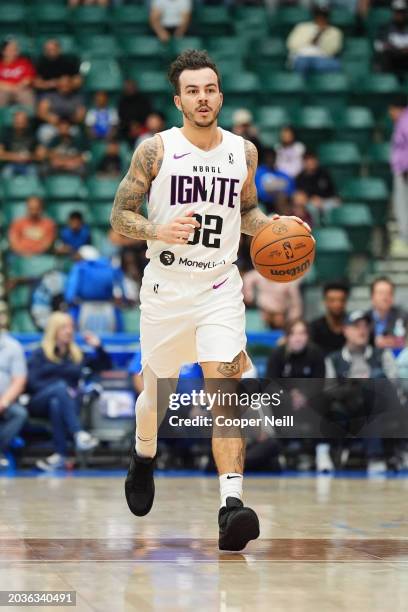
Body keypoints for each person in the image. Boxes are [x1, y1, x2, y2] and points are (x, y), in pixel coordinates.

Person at [110, 49, 310, 552]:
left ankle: (231, 507)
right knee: (157, 399)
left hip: (220, 289)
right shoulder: (155, 151)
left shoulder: (243, 152)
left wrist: (279, 228)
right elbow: (119, 215)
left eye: (211, 88)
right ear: (179, 99)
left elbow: (247, 214)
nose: (203, 98)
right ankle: (143, 455)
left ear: (221, 94)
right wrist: (157, 228)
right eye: (193, 90)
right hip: (166, 291)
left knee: (226, 395)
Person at [27, 312, 110, 471]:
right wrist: (58, 389)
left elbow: (105, 366)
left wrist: (98, 347)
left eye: (71, 327)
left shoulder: (76, 355)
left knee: (57, 403)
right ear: (54, 330)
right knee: (59, 389)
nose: (69, 331)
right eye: (64, 327)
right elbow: (32, 383)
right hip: (39, 402)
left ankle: (61, 455)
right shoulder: (39, 354)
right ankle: (78, 433)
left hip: (65, 404)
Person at [326, 310, 399, 474]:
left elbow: (394, 386)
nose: (362, 330)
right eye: (356, 326)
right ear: (345, 330)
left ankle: (375, 456)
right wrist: (356, 385)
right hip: (348, 409)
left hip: (381, 408)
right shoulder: (334, 359)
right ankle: (379, 456)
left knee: (377, 378)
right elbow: (329, 392)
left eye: (366, 326)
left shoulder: (382, 354)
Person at [266, 319, 326, 472]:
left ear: (308, 336)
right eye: (293, 334)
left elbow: (320, 382)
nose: (297, 338)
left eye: (302, 333)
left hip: (310, 402)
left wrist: (305, 395)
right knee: (271, 399)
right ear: (287, 337)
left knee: (325, 400)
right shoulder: (277, 354)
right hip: (283, 402)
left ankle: (321, 451)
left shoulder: (316, 353)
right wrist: (288, 396)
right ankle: (280, 450)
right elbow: (270, 383)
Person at [64, 245, 125, 333]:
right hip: (108, 309)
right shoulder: (109, 266)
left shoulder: (80, 268)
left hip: (84, 308)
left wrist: (70, 302)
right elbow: (120, 286)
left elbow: (70, 292)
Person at [287, 4, 343, 75]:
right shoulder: (302, 27)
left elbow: (333, 50)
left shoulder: (334, 31)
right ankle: (300, 84)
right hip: (303, 56)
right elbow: (291, 45)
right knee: (302, 62)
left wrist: (321, 33)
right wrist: (313, 38)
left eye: (323, 15)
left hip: (322, 58)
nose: (321, 17)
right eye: (318, 15)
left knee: (336, 64)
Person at [0, 330, 28, 469]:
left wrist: (3, 402)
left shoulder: (13, 347)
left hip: (6, 401)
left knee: (19, 413)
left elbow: (19, 381)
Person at [37, 75, 86, 145]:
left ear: (71, 84)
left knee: (77, 132)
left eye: (67, 84)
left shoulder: (77, 97)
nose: (65, 86)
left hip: (70, 126)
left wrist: (67, 124)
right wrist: (52, 119)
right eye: (63, 84)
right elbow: (41, 112)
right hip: (53, 126)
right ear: (58, 85)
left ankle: (74, 152)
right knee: (44, 132)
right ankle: (47, 152)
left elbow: (81, 115)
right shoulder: (50, 95)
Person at [365, 277, 408, 351]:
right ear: (372, 297)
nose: (385, 297)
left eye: (389, 293)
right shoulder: (364, 319)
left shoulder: (404, 316)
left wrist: (395, 342)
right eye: (381, 293)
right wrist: (374, 342)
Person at [309, 280, 349, 356]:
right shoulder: (314, 328)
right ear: (325, 301)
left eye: (341, 300)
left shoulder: (353, 326)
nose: (337, 304)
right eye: (332, 300)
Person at [389, 96, 408, 256]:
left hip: (405, 171)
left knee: (403, 207)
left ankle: (405, 240)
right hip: (402, 170)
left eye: (392, 109)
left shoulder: (405, 120)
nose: (390, 113)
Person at [0, 110, 44, 177]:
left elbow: (40, 155)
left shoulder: (33, 134)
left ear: (26, 122)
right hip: (10, 164)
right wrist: (16, 157)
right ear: (13, 121)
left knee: (34, 173)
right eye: (17, 120)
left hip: (28, 165)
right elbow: (1, 155)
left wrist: (28, 156)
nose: (19, 122)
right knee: (6, 174)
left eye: (22, 121)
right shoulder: (6, 133)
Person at [295, 150, 337, 217]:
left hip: (327, 200)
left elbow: (332, 191)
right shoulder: (300, 177)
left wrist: (323, 200)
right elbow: (301, 195)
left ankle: (330, 226)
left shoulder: (324, 173)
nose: (310, 162)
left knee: (333, 205)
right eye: (308, 160)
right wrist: (311, 199)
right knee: (311, 207)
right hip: (310, 203)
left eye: (312, 159)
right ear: (304, 162)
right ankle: (316, 226)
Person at [255, 147, 295, 214]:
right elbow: (260, 193)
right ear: (264, 158)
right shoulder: (258, 172)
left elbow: (291, 188)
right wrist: (276, 192)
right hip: (265, 204)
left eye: (273, 157)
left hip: (283, 201)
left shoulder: (280, 173)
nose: (271, 159)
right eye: (268, 157)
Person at [375, 0, 408, 81]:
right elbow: (378, 46)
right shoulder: (384, 29)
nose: (400, 15)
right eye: (397, 12)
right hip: (391, 65)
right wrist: (398, 50)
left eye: (402, 12)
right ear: (393, 12)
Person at [0, 38, 36, 107]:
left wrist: (18, 87)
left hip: (21, 89)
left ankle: (29, 117)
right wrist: (12, 87)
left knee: (27, 97)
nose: (13, 52)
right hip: (3, 90)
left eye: (15, 50)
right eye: (10, 49)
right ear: (3, 51)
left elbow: (28, 79)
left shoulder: (24, 62)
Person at [118, 80, 153, 145]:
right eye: (128, 87)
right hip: (126, 130)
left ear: (135, 87)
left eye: (131, 87)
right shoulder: (122, 102)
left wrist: (138, 126)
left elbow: (148, 116)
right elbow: (121, 117)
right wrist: (130, 126)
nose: (130, 89)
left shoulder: (144, 100)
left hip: (142, 128)